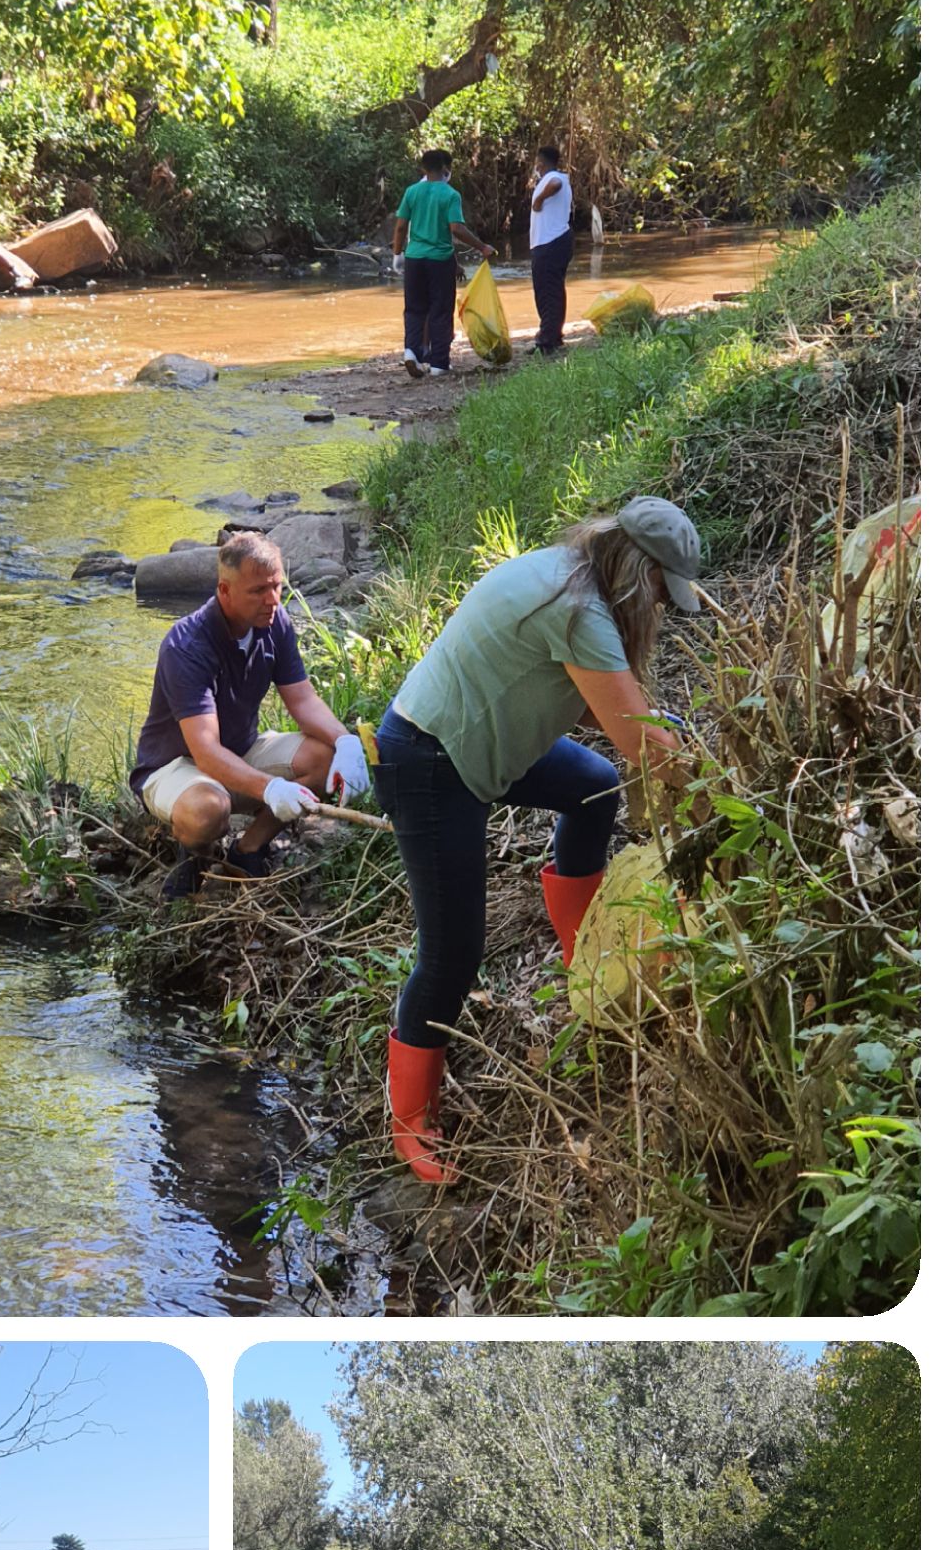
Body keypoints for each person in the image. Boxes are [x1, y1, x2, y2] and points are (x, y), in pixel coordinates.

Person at [372, 501, 703, 1178]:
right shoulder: (578, 610)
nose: (662, 613)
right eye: (664, 598)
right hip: (431, 762)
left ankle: (577, 955)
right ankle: (411, 1120)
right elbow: (644, 745)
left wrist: (649, 720)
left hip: (472, 740)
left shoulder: (568, 574)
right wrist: (703, 792)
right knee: (453, 955)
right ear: (642, 578)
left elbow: (591, 701)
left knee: (591, 785)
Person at [131, 530, 368, 902]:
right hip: (176, 765)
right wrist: (270, 788)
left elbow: (302, 699)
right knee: (209, 810)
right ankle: (194, 858)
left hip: (240, 751)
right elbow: (206, 752)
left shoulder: (275, 623)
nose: (272, 600)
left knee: (324, 758)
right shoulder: (187, 645)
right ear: (224, 591)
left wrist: (345, 741)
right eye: (258, 591)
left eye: (276, 586)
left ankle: (247, 850)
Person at [390, 148, 489, 379]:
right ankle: (439, 364)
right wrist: (482, 246)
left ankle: (411, 352)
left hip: (414, 258)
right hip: (440, 260)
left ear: (423, 169)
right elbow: (455, 229)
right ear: (445, 169)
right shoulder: (451, 195)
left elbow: (401, 226)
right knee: (440, 311)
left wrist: (397, 254)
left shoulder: (412, 191)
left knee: (414, 308)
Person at [529, 144, 575, 359]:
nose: (535, 165)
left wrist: (539, 199)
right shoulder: (553, 178)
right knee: (551, 290)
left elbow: (554, 184)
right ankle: (552, 334)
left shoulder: (554, 178)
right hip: (550, 242)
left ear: (541, 162)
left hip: (551, 242)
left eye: (537, 161)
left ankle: (547, 339)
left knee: (548, 291)